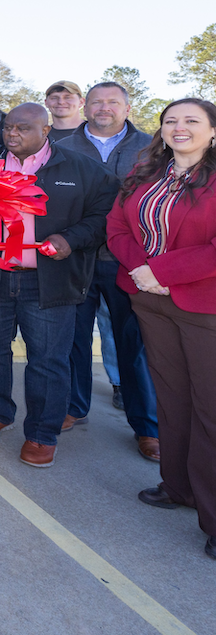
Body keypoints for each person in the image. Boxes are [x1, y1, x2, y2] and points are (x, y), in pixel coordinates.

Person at [0, 103, 119, 468]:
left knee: (47, 362)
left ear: (45, 131)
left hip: (49, 284)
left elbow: (105, 216)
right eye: (8, 127)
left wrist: (71, 238)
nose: (12, 134)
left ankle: (42, 433)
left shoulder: (82, 169)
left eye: (22, 128)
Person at [108, 98, 216, 561]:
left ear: (213, 130)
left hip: (204, 307)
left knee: (210, 410)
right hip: (150, 302)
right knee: (170, 399)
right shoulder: (145, 173)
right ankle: (177, 486)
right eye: (171, 120)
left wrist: (164, 271)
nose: (179, 127)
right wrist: (146, 272)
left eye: (192, 120)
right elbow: (116, 229)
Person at [57, 82, 159, 460]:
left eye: (112, 102)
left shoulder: (152, 148)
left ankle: (148, 426)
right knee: (73, 339)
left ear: (128, 107)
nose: (104, 108)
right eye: (96, 101)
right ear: (84, 106)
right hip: (74, 259)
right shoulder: (62, 148)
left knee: (134, 345)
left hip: (129, 262)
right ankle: (73, 406)